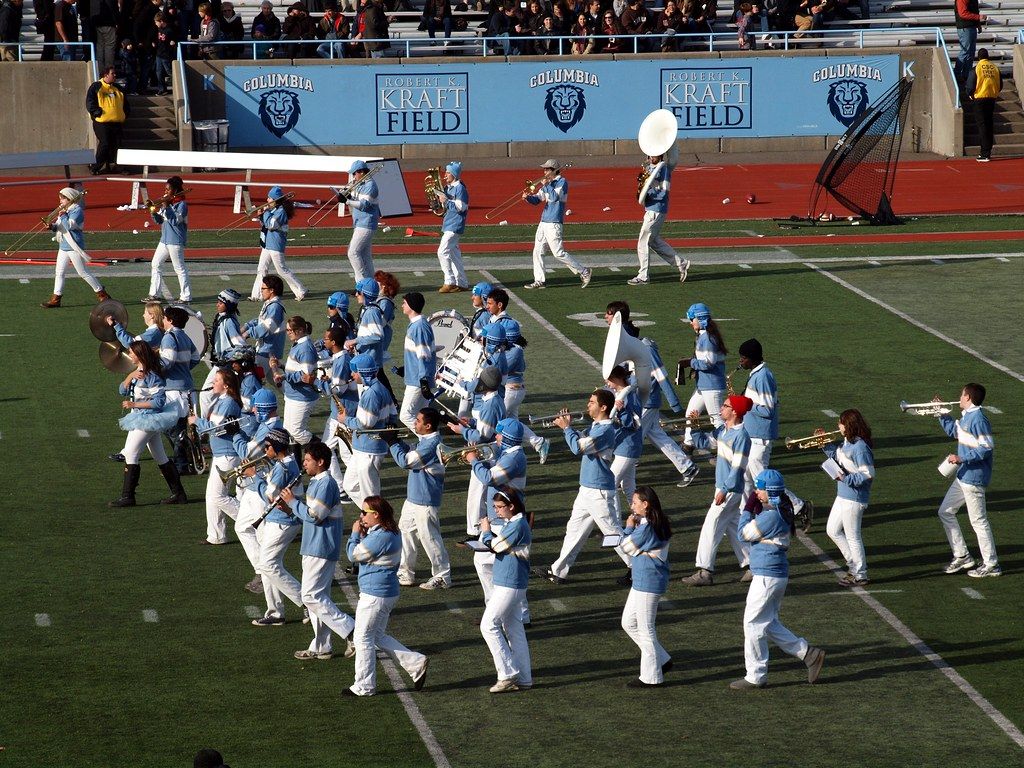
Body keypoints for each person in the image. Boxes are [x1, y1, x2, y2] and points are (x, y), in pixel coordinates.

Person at [731, 469, 826, 690]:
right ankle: (809, 654)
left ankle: (755, 676)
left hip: (766, 575)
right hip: (774, 575)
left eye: (759, 489)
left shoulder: (772, 515)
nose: (755, 492)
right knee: (768, 623)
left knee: (752, 624)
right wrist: (757, 505)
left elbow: (742, 534)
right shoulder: (780, 509)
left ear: (770, 491)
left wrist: (747, 509)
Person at [533, 390, 630, 584]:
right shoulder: (596, 426)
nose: (588, 405)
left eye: (592, 402)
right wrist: (569, 427)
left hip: (599, 492)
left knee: (613, 533)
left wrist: (566, 428)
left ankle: (639, 567)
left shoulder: (605, 430)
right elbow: (581, 440)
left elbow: (578, 448)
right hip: (587, 489)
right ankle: (558, 571)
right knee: (574, 530)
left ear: (603, 407)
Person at [278, 442, 357, 660]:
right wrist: (290, 508)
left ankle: (352, 631)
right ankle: (321, 646)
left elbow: (315, 516)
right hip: (313, 545)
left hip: (321, 547)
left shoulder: (327, 484)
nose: (303, 464)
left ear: (320, 462)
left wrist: (293, 503)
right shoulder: (316, 482)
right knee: (318, 597)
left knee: (310, 596)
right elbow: (309, 514)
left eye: (307, 460)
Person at [605, 302, 698, 487]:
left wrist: (674, 404)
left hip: (646, 401)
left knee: (631, 437)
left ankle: (623, 470)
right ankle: (687, 467)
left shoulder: (645, 349)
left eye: (608, 315)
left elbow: (661, 376)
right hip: (642, 400)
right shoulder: (632, 348)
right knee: (657, 436)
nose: (605, 318)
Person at [345, 495, 430, 696]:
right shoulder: (386, 532)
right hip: (384, 592)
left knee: (362, 638)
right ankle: (416, 663)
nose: (361, 516)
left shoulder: (381, 536)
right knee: (376, 636)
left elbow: (353, 555)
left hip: (375, 593)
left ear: (377, 515)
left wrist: (355, 534)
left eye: (365, 512)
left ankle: (364, 686)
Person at [681, 395, 752, 586]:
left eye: (726, 406)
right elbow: (704, 443)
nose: (721, 408)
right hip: (723, 488)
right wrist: (694, 427)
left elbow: (738, 468)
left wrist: (724, 490)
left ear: (735, 412)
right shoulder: (723, 430)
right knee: (733, 526)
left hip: (729, 489)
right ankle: (753, 564)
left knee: (710, 526)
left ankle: (705, 571)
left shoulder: (741, 437)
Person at [108, 341, 188, 507]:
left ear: (139, 355)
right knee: (160, 456)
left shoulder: (152, 376)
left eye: (131, 353)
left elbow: (159, 402)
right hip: (142, 418)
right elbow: (122, 390)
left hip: (147, 419)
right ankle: (179, 494)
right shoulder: (138, 372)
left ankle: (128, 496)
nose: (129, 355)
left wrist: (134, 405)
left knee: (130, 453)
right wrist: (130, 376)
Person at [936, 383, 999, 578]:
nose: (959, 397)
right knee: (945, 511)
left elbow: (986, 447)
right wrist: (941, 413)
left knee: (979, 521)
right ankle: (962, 556)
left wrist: (962, 458)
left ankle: (991, 564)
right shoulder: (967, 417)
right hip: (963, 476)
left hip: (974, 478)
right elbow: (953, 432)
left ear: (968, 398)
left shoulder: (978, 419)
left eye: (962, 395)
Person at [387, 407, 451, 590]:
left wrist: (392, 443)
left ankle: (443, 576)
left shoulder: (432, 445)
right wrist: (397, 440)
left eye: (418, 421)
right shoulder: (426, 440)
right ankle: (406, 573)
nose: (414, 423)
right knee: (405, 533)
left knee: (430, 539)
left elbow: (406, 462)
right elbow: (411, 451)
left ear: (428, 425)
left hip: (426, 500)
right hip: (414, 498)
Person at [465, 418, 528, 605]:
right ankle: (500, 606)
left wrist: (474, 460)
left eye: (499, 434)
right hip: (500, 518)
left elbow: (488, 478)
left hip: (506, 522)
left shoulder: (513, 459)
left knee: (505, 568)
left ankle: (502, 608)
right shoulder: (508, 453)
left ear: (507, 437)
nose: (497, 437)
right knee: (493, 564)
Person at [248, 427, 306, 624]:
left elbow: (270, 495)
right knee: (268, 565)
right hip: (277, 521)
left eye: (267, 446)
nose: (265, 451)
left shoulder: (283, 468)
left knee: (267, 564)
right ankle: (274, 612)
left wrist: (254, 476)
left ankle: (306, 603)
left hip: (282, 522)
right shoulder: (284, 463)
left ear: (277, 447)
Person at [479, 486, 532, 693]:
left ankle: (507, 673)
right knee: (514, 630)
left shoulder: (518, 525)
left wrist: (485, 532)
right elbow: (500, 544)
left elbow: (496, 546)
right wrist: (489, 535)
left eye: (500, 507)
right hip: (511, 582)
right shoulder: (514, 523)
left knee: (488, 625)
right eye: (494, 507)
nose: (497, 511)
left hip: (510, 584)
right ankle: (525, 678)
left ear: (512, 506)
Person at [620, 486, 672, 687]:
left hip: (648, 582)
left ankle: (651, 677)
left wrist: (628, 527)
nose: (632, 505)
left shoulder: (646, 528)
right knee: (628, 623)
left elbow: (625, 547)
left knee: (646, 629)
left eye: (634, 502)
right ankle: (662, 659)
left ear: (645, 504)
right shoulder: (655, 523)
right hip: (645, 580)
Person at [449, 366, 506, 546]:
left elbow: (482, 436)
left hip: (486, 455)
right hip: (488, 453)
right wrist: (471, 422)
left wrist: (462, 430)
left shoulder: (490, 405)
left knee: (477, 494)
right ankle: (479, 528)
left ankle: (475, 531)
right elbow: (485, 426)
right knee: (479, 494)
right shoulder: (494, 400)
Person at [189, 367, 244, 545]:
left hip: (227, 455)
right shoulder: (222, 401)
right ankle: (216, 535)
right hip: (222, 454)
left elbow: (216, 429)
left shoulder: (228, 403)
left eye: (217, 380)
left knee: (218, 496)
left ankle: (254, 521)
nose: (213, 382)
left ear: (226, 385)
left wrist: (197, 421)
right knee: (211, 496)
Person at [821, 409, 874, 587]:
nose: (838, 426)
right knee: (832, 530)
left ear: (848, 425)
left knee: (853, 536)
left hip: (854, 498)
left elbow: (868, 475)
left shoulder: (860, 447)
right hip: (843, 494)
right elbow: (838, 459)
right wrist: (824, 445)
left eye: (841, 423)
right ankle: (853, 563)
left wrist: (846, 478)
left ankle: (860, 574)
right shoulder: (847, 443)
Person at [523, 159, 592, 290]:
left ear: (554, 170)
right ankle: (539, 280)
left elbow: (555, 197)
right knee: (537, 251)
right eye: (544, 169)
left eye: (547, 169)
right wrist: (527, 198)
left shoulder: (562, 182)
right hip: (543, 222)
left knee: (558, 253)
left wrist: (548, 185)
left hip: (554, 223)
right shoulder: (547, 184)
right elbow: (538, 200)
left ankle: (584, 271)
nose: (544, 172)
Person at [39, 187, 110, 309]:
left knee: (83, 273)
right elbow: (60, 227)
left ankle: (102, 294)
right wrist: (51, 226)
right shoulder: (66, 210)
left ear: (70, 199)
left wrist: (64, 215)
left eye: (62, 199)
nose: (60, 201)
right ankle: (56, 298)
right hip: (63, 246)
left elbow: (69, 226)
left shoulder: (77, 210)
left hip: (74, 245)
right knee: (59, 272)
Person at [628, 153, 689, 286]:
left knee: (642, 242)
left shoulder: (663, 169)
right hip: (651, 209)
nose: (650, 158)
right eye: (649, 155)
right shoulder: (649, 167)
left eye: (653, 155)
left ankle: (643, 275)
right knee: (654, 241)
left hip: (657, 210)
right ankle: (681, 263)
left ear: (659, 155)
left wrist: (648, 192)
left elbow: (664, 192)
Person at [340, 353, 392, 508]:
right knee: (349, 486)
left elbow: (366, 423)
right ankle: (369, 514)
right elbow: (393, 414)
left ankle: (377, 520)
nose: (352, 375)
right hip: (363, 447)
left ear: (363, 372)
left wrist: (346, 420)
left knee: (371, 494)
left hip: (369, 450)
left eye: (354, 372)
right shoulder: (376, 388)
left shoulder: (372, 393)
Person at [159, 305, 202, 476]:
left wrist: (152, 369)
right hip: (187, 389)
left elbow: (167, 362)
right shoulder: (185, 336)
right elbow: (196, 358)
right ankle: (184, 463)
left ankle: (180, 465)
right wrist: (184, 368)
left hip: (173, 390)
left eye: (164, 318)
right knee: (179, 428)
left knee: (172, 429)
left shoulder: (169, 338)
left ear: (169, 320)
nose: (162, 320)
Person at [679, 302, 727, 451]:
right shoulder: (705, 336)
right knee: (691, 413)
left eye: (692, 320)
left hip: (711, 386)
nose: (690, 323)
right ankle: (688, 443)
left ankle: (726, 447)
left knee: (717, 420)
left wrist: (690, 363)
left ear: (700, 319)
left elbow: (708, 362)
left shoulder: (707, 338)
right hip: (704, 385)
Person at [270, 316, 319, 459]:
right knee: (289, 432)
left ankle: (324, 452)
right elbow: (295, 369)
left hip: (302, 397)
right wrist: (281, 366)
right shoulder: (298, 343)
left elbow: (306, 375)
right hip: (293, 395)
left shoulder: (305, 349)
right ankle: (296, 465)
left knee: (296, 431)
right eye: (287, 330)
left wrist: (284, 377)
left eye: (290, 330)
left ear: (300, 330)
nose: (288, 333)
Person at [317, 326, 357, 488]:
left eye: (326, 339)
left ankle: (350, 485)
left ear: (333, 342)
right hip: (339, 412)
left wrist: (320, 383)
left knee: (347, 455)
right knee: (326, 448)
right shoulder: (342, 358)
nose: (324, 341)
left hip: (343, 412)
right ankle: (340, 485)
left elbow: (340, 389)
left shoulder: (342, 361)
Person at [251, 186, 306, 301]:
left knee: (282, 270)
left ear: (275, 200)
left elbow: (271, 225)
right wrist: (261, 215)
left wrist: (264, 212)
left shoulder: (281, 212)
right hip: (268, 244)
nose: (267, 200)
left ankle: (301, 290)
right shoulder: (274, 210)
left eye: (269, 198)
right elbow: (265, 224)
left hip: (276, 244)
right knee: (261, 269)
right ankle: (257, 295)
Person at [143, 176, 191, 304]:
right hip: (164, 240)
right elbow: (160, 220)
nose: (165, 191)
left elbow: (175, 221)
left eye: (168, 189)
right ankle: (154, 294)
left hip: (176, 240)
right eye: (165, 189)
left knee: (179, 268)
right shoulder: (167, 202)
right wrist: (152, 210)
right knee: (156, 264)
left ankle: (186, 296)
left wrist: (168, 206)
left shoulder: (182, 205)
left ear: (175, 190)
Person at [199, 289, 245, 418]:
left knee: (205, 394)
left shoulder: (228, 321)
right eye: (217, 301)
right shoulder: (222, 317)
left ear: (228, 305)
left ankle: (205, 426)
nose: (217, 304)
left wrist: (229, 358)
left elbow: (239, 344)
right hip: (221, 362)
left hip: (225, 364)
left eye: (221, 302)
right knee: (222, 394)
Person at [397, 292, 436, 432]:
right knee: (422, 415)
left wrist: (423, 379)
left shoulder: (418, 327)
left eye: (405, 303)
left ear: (411, 306)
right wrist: (406, 368)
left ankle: (426, 439)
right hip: (417, 377)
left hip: (417, 381)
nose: (402, 305)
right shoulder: (418, 325)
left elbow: (424, 355)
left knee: (406, 415)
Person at [85, 66, 129, 175]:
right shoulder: (96, 86)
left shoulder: (118, 88)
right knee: (105, 143)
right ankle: (95, 167)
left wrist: (124, 115)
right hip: (102, 123)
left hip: (117, 122)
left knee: (118, 144)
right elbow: (90, 102)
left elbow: (126, 104)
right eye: (112, 73)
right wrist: (96, 113)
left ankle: (119, 167)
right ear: (105, 75)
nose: (115, 75)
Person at [242, 275, 287, 378]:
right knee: (278, 382)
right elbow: (261, 321)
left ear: (271, 290)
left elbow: (266, 328)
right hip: (267, 350)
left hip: (268, 352)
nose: (261, 291)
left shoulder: (275, 307)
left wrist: (248, 333)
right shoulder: (270, 303)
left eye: (263, 288)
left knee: (251, 379)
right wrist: (246, 326)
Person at [435, 161, 470, 293]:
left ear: (454, 174)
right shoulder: (448, 187)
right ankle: (462, 282)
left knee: (442, 251)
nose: (445, 175)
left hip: (455, 224)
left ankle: (449, 281)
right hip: (449, 223)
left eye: (448, 172)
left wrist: (446, 201)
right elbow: (446, 206)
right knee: (454, 255)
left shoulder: (460, 188)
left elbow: (461, 207)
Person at [343, 160, 380, 282]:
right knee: (365, 255)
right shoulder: (358, 184)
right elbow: (354, 198)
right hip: (359, 223)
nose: (353, 176)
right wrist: (346, 195)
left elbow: (364, 205)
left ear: (361, 172)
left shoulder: (370, 185)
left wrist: (347, 201)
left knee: (352, 253)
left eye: (354, 173)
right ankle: (371, 282)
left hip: (366, 223)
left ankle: (362, 283)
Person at [966, 48, 1001, 162]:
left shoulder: (976, 68)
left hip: (979, 99)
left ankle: (984, 153)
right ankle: (988, 151)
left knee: (982, 126)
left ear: (979, 57)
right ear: (988, 56)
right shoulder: (995, 68)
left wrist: (970, 94)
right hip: (991, 98)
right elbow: (1000, 84)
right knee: (989, 124)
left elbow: (970, 85)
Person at [954, 0, 987, 84]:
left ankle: (966, 75)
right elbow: (963, 13)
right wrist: (978, 17)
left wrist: (978, 24)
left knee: (971, 53)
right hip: (965, 28)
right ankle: (956, 74)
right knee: (965, 52)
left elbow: (974, 10)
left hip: (970, 27)